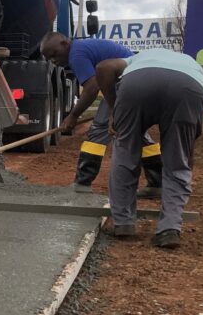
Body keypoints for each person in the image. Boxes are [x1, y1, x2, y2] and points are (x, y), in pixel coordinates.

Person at [95, 48, 203, 248]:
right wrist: (184, 163)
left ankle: (123, 223)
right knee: (177, 163)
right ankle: (169, 229)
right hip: (189, 87)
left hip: (137, 85)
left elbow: (104, 67)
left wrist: (114, 109)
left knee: (125, 153)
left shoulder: (137, 59)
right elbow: (188, 150)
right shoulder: (192, 65)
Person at [40, 32, 162, 196]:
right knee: (136, 133)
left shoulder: (76, 53)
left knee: (99, 129)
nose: (54, 61)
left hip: (127, 84)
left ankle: (82, 184)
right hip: (135, 83)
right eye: (49, 58)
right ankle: (157, 183)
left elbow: (91, 88)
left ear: (64, 43)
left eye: (54, 54)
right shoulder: (82, 48)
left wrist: (73, 116)